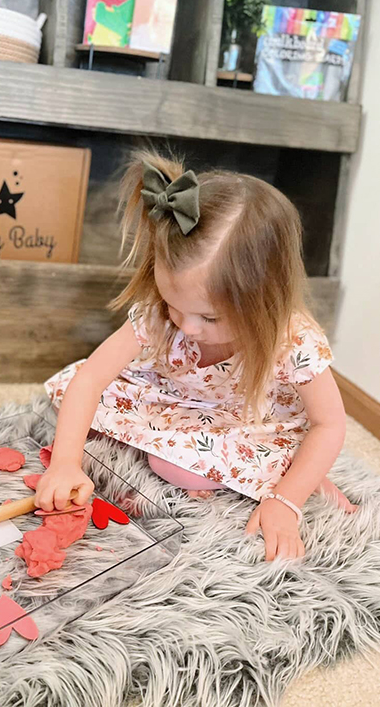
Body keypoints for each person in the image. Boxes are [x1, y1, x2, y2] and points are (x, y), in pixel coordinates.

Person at [35, 151, 357, 561]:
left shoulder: (293, 340)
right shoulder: (159, 315)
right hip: (172, 395)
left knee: (176, 468)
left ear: (266, 302)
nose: (186, 327)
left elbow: (328, 424)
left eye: (209, 317)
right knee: (76, 404)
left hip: (246, 418)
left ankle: (298, 472)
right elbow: (91, 378)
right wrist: (64, 462)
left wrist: (287, 499)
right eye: (174, 304)